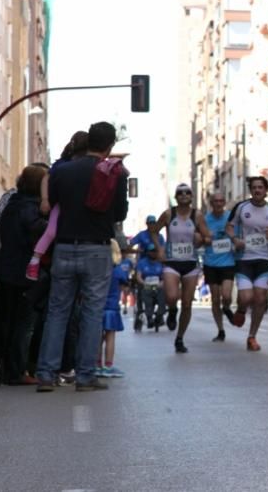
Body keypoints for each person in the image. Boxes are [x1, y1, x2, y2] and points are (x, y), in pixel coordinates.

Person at [35, 121, 128, 393]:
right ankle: (86, 376)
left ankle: (46, 374)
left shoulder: (63, 171)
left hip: (64, 246)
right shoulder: (115, 174)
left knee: (58, 311)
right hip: (97, 248)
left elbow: (49, 204)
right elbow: (120, 214)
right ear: (110, 146)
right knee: (92, 313)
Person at [0, 164, 49, 386]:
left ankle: (5, 366)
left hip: (6, 269)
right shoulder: (30, 208)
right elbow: (38, 229)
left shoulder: (11, 204)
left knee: (7, 320)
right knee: (24, 323)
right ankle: (17, 371)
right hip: (25, 272)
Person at [150, 183, 210, 353]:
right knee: (171, 295)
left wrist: (201, 238)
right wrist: (160, 248)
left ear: (191, 196)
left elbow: (208, 237)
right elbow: (154, 230)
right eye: (180, 193)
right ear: (176, 197)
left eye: (187, 193)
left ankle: (180, 338)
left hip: (190, 264)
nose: (184, 195)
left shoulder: (197, 215)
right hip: (171, 262)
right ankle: (172, 310)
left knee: (187, 304)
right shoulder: (170, 214)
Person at [226, 176, 268, 351]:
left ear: (266, 190)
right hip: (244, 259)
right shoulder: (241, 208)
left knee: (260, 299)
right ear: (251, 190)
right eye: (254, 187)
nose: (257, 190)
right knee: (246, 297)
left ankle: (252, 336)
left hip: (263, 259)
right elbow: (229, 226)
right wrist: (235, 240)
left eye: (260, 187)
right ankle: (241, 309)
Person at [26, 132, 90, 281]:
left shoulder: (81, 164)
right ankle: (35, 260)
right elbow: (46, 178)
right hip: (62, 202)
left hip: (72, 205)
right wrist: (45, 199)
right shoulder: (62, 165)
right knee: (52, 231)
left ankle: (36, 260)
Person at [202, 193, 236, 341]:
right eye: (215, 201)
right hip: (210, 263)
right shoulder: (205, 219)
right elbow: (198, 238)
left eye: (221, 200)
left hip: (228, 262)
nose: (218, 203)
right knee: (215, 299)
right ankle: (221, 330)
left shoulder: (231, 217)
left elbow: (238, 232)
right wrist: (205, 238)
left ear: (224, 202)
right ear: (211, 203)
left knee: (227, 296)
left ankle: (227, 307)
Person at [97, 244, 130, 378]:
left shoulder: (97, 269)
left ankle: (97, 365)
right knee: (110, 337)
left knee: (97, 338)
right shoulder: (118, 271)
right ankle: (108, 366)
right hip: (112, 308)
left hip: (98, 307)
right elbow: (125, 289)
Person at [135, 242, 166, 329]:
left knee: (163, 297)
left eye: (155, 251)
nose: (153, 253)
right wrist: (144, 283)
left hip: (158, 286)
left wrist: (161, 283)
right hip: (146, 286)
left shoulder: (161, 263)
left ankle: (160, 315)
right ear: (148, 252)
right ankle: (149, 317)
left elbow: (164, 276)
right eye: (152, 251)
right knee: (146, 297)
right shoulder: (142, 263)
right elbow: (138, 276)